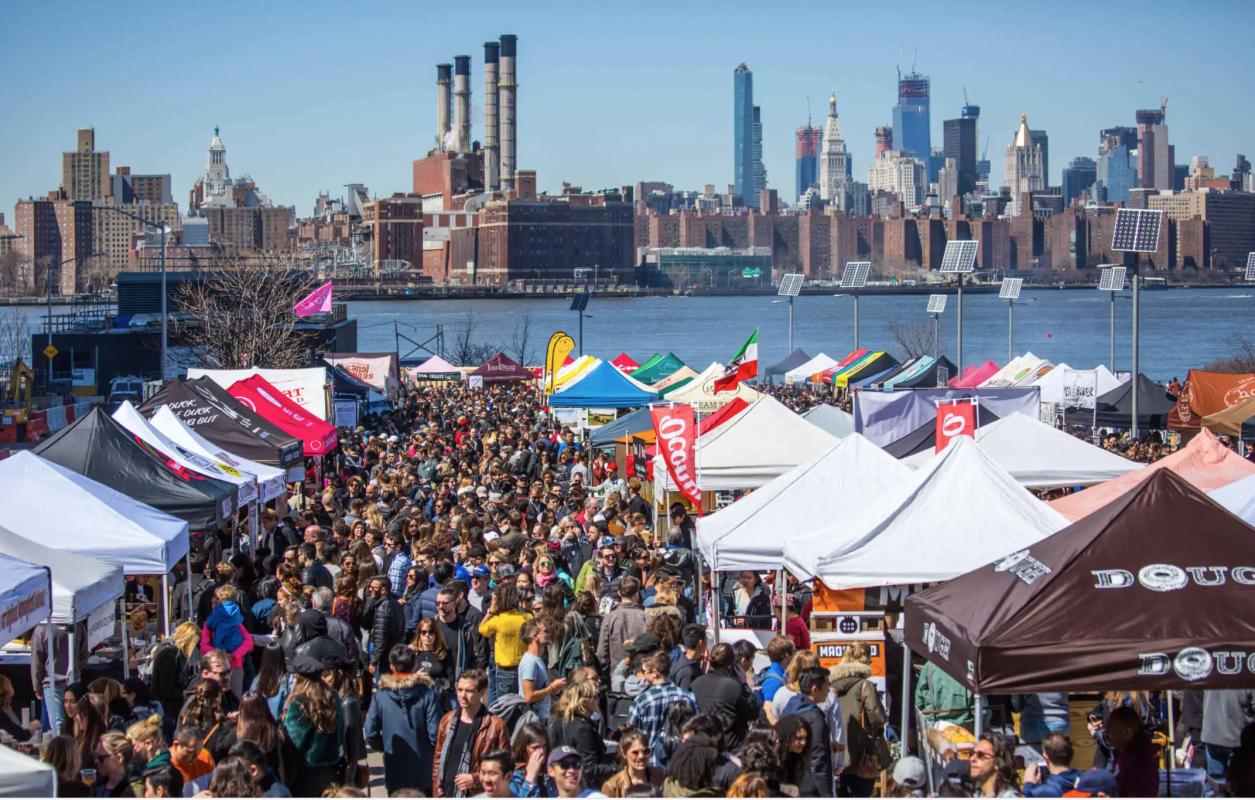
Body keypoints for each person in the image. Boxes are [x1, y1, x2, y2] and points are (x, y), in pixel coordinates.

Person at [365, 644, 443, 796]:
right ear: (414, 666)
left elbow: (370, 731)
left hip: (395, 766)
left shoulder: (381, 696)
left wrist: (386, 746)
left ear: (391, 666)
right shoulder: (427, 695)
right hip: (423, 769)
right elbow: (436, 734)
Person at [432, 670, 511, 798]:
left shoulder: (496, 726)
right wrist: (436, 790)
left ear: (482, 692)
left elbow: (505, 767)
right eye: (459, 690)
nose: (462, 695)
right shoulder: (447, 720)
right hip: (445, 793)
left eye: (469, 691)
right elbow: (437, 760)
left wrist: (475, 779)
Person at [831, 643, 887, 797]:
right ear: (866, 659)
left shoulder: (830, 686)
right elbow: (878, 718)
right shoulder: (864, 686)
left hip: (836, 752)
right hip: (861, 752)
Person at [626, 651, 699, 766]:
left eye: (644, 671)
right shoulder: (688, 697)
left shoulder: (642, 701)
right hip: (682, 761)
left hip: (650, 764)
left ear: (655, 673)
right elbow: (698, 728)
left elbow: (629, 735)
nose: (643, 676)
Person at [548, 679, 618, 790]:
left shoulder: (558, 722)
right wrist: (617, 769)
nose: (596, 701)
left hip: (561, 782)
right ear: (584, 702)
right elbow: (589, 768)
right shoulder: (583, 728)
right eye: (594, 697)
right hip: (581, 787)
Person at [690, 642, 761, 750]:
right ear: (731, 665)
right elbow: (752, 713)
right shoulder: (734, 687)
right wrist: (744, 684)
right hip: (730, 747)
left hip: (703, 745)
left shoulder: (696, 683)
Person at [282, 673, 342, 797]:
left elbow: (293, 740)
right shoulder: (333, 697)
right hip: (330, 770)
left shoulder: (297, 702)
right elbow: (341, 731)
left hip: (303, 774)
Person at [780, 666, 834, 797]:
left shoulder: (789, 708)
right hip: (809, 786)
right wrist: (826, 794)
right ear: (815, 689)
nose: (828, 690)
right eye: (827, 686)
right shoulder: (815, 718)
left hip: (788, 781)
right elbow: (817, 761)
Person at [478, 583, 532, 702]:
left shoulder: (498, 620)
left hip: (505, 670)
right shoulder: (527, 617)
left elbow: (481, 628)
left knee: (505, 704)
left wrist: (491, 610)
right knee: (524, 702)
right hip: (525, 666)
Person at [200, 585, 255, 702]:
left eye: (215, 602)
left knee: (233, 701)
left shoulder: (232, 622)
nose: (214, 605)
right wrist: (222, 655)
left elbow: (248, 642)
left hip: (232, 666)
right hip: (218, 668)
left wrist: (233, 655)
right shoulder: (235, 620)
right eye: (212, 603)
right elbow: (204, 645)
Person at [1201, 689, 1255, 782]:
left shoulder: (1212, 679)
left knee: (1217, 784)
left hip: (1213, 734)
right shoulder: (1247, 680)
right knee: (1238, 783)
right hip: (1237, 739)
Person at [1104, 706, 1159, 798]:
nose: (1108, 736)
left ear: (1127, 732)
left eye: (1111, 731)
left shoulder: (1140, 763)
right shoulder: (1121, 755)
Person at [518, 618, 567, 721]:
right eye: (546, 631)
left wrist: (553, 688)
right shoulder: (530, 662)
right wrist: (551, 688)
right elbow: (529, 697)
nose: (550, 634)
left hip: (541, 718)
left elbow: (540, 688)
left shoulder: (537, 659)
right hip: (533, 720)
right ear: (535, 636)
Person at [597, 577, 647, 672]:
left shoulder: (610, 618)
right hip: (641, 670)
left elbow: (602, 652)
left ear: (619, 593)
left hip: (617, 670)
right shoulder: (645, 616)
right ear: (637, 594)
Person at [362, 575, 406, 679]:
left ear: (383, 590)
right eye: (370, 587)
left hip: (384, 654)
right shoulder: (395, 604)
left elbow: (380, 636)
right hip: (393, 650)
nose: (370, 590)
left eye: (374, 588)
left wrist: (374, 661)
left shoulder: (383, 608)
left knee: (381, 682)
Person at [600, 729, 663, 797]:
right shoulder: (612, 787)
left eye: (646, 751)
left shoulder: (659, 776)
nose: (641, 756)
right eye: (635, 752)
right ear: (624, 753)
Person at [915, 660, 975, 728]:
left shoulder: (931, 664)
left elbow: (919, 702)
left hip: (935, 725)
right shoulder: (969, 667)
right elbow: (979, 710)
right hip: (964, 728)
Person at [1021, 733, 1080, 797]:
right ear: (1072, 754)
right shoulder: (1086, 783)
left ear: (1045, 756)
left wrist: (1028, 785)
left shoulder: (1040, 792)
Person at [508, 722, 555, 797]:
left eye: (544, 746)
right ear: (523, 750)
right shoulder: (513, 778)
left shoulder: (549, 774)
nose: (542, 751)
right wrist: (530, 777)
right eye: (535, 748)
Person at [168, 725, 214, 796]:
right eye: (190, 752)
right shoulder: (164, 767)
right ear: (176, 745)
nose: (195, 758)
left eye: (199, 751)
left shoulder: (205, 757)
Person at [970, 733, 1021, 797]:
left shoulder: (1009, 796)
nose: (972, 759)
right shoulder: (974, 794)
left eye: (980, 755)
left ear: (998, 763)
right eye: (972, 753)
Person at [92, 731, 136, 797]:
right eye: (95, 756)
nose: (96, 761)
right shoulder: (97, 785)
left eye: (100, 758)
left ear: (119, 758)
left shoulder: (133, 790)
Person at [669, 624, 707, 692]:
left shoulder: (681, 660)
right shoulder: (687, 672)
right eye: (706, 640)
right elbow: (685, 696)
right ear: (700, 643)